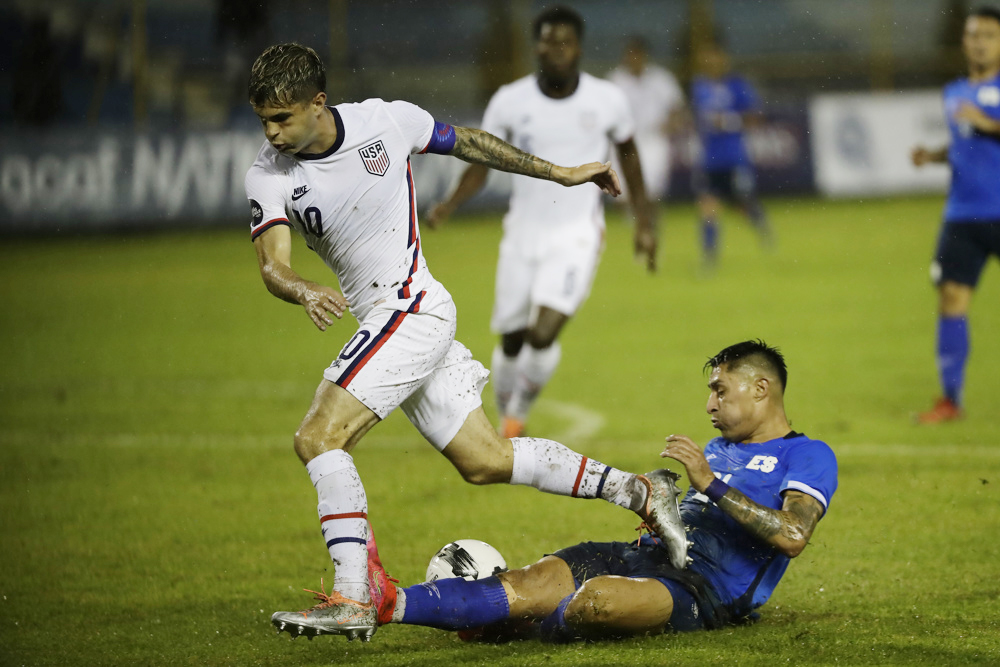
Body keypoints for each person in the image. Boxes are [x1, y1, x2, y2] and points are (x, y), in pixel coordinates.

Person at [243, 43, 688, 641]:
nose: (271, 133)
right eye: (264, 120)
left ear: (318, 102)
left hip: (412, 308)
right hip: (390, 320)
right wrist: (300, 289)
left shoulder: (385, 122)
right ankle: (640, 490)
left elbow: (472, 142)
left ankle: (352, 595)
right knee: (484, 461)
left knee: (318, 437)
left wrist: (560, 172)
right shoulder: (268, 174)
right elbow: (272, 264)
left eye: (282, 118)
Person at [361, 340, 837, 642]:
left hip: (701, 590)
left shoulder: (809, 456)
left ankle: (507, 627)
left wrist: (709, 484)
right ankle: (389, 603)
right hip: (640, 555)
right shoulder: (717, 447)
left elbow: (792, 535)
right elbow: (692, 520)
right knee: (528, 583)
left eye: (720, 390)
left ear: (760, 388)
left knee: (598, 603)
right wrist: (662, 505)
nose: (709, 403)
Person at [426, 6, 656, 439]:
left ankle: (515, 419)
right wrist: (450, 203)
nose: (555, 49)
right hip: (522, 235)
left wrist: (643, 221)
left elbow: (629, 154)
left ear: (579, 48)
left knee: (543, 332)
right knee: (512, 339)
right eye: (547, 41)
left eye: (563, 41)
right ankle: (504, 415)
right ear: (536, 46)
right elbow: (482, 157)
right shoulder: (511, 101)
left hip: (577, 236)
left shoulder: (606, 99)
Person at [910, 6, 1000, 423]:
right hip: (962, 214)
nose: (979, 41)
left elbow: (983, 129)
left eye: (988, 35)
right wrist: (934, 155)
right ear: (963, 41)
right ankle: (951, 400)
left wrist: (986, 121)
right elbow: (965, 144)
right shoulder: (954, 92)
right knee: (950, 300)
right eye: (973, 35)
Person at [690, 43, 773, 269]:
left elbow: (755, 117)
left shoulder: (737, 86)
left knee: (742, 204)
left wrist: (727, 121)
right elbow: (699, 117)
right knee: (708, 206)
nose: (711, 63)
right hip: (710, 158)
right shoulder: (699, 86)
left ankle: (762, 226)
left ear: (723, 59)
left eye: (715, 57)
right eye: (707, 58)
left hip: (734, 157)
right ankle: (709, 258)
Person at [607, 35, 685, 202]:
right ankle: (634, 226)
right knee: (622, 193)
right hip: (624, 141)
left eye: (638, 54)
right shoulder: (615, 80)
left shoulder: (661, 79)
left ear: (645, 55)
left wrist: (670, 124)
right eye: (631, 54)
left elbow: (677, 108)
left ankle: (650, 227)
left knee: (653, 192)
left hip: (653, 138)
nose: (634, 58)